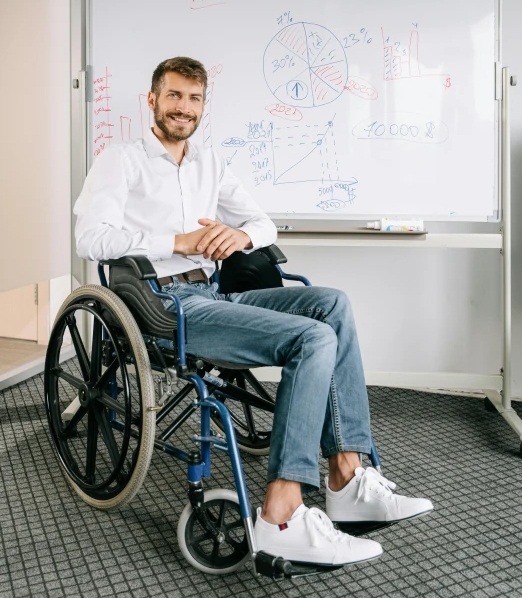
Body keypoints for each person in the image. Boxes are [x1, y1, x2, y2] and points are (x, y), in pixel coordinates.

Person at [74, 56, 433, 567]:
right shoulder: (121, 159)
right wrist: (180, 240)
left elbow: (264, 224)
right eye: (174, 96)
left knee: (331, 304)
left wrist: (240, 235)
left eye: (194, 99)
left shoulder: (209, 162)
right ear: (151, 100)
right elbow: (91, 237)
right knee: (312, 340)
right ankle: (281, 515)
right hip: (161, 304)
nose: (184, 108)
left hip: (212, 294)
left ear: (203, 106)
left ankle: (347, 480)